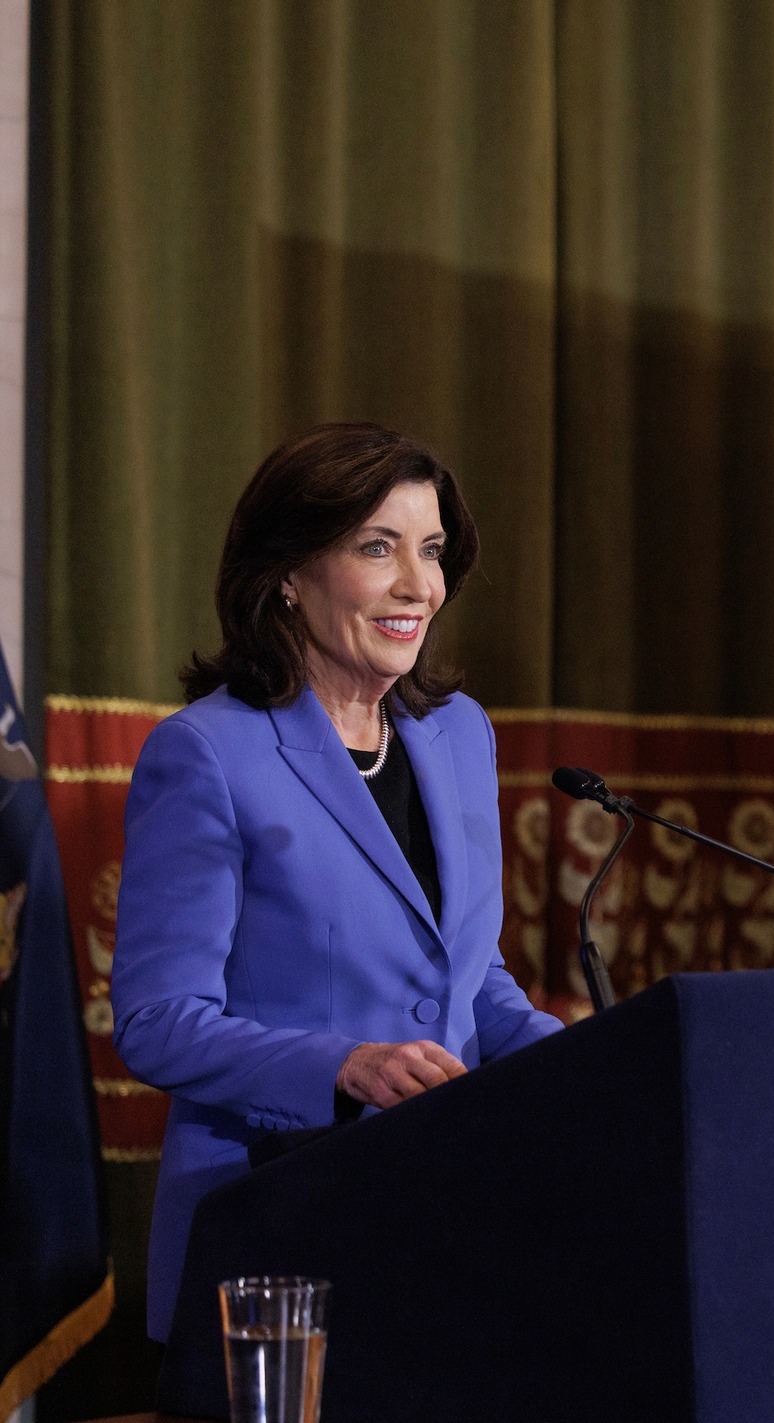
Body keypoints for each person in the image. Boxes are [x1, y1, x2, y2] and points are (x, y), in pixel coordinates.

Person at [110, 423, 563, 1342]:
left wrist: (591, 1061)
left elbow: (466, 976)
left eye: (431, 551)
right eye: (376, 547)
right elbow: (157, 1021)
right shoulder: (208, 753)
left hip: (445, 1230)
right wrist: (345, 1066)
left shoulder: (459, 732)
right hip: (277, 1229)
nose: (417, 585)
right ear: (287, 570)